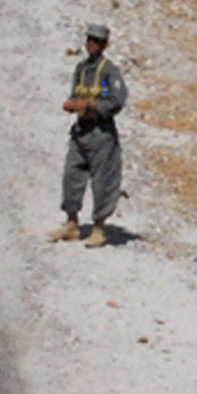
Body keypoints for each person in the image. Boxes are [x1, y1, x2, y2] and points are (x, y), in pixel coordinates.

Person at [51, 23, 128, 248]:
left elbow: (117, 100)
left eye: (97, 41)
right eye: (89, 40)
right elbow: (76, 93)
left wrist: (92, 105)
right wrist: (73, 105)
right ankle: (72, 223)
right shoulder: (82, 69)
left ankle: (99, 228)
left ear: (105, 45)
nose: (92, 44)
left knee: (102, 181)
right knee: (72, 175)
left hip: (101, 133)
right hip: (81, 130)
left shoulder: (110, 71)